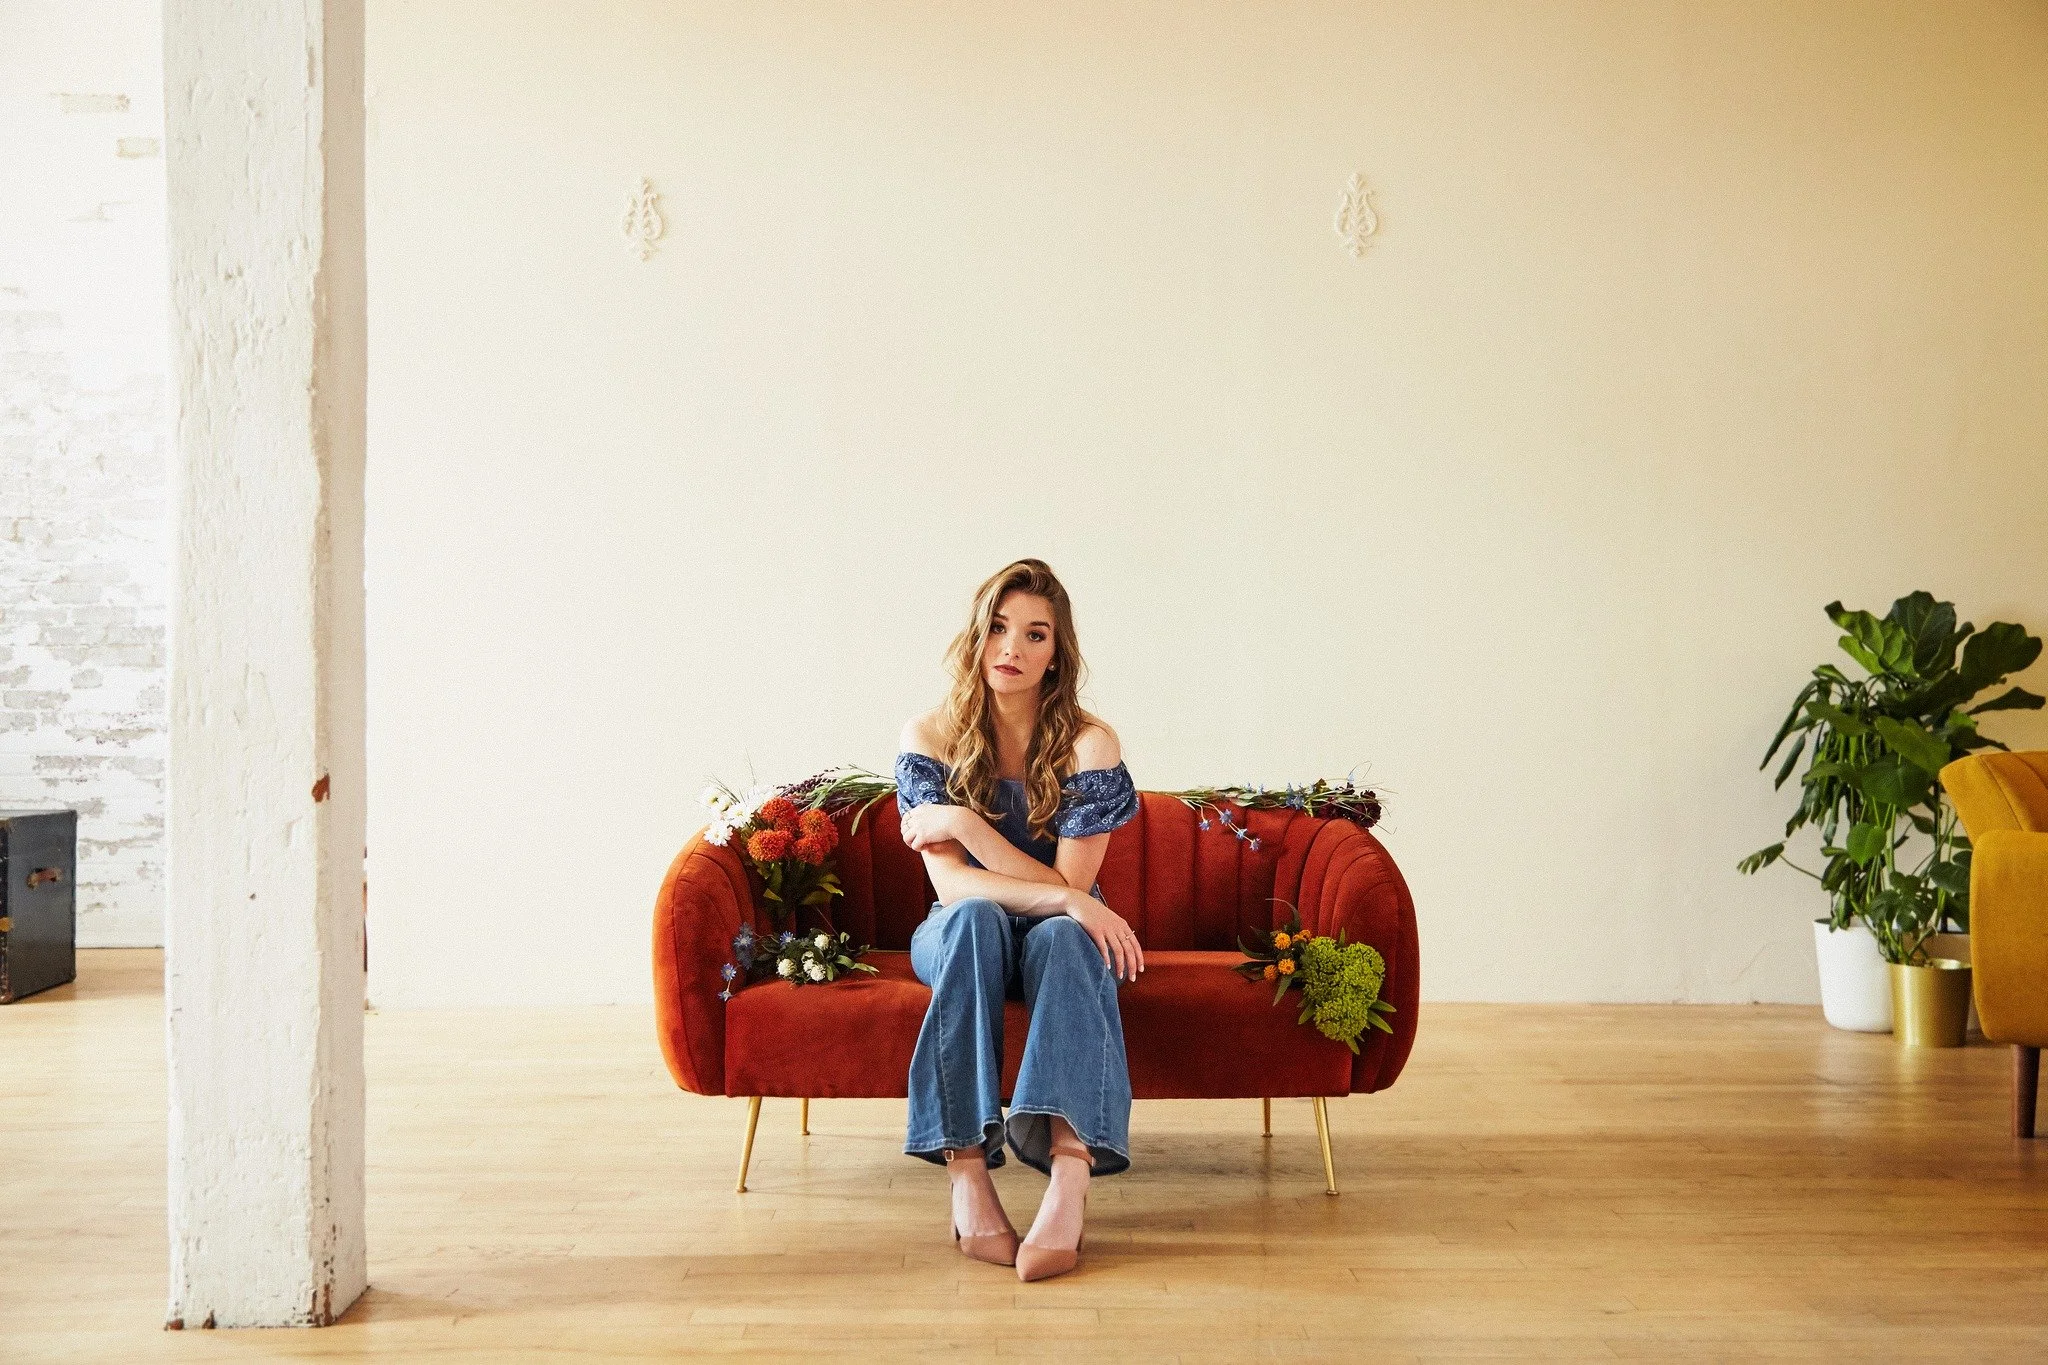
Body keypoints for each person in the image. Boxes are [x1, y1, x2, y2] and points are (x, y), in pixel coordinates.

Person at [895, 557, 1142, 1283]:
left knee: (1069, 934)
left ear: (1057, 652)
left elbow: (1073, 889)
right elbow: (951, 885)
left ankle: (1071, 1175)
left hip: (1053, 935)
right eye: (999, 629)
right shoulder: (929, 735)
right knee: (974, 919)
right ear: (975, 636)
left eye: (1036, 635)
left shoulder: (1090, 745)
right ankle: (966, 1168)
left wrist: (968, 824)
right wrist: (1063, 891)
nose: (1013, 648)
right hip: (958, 932)